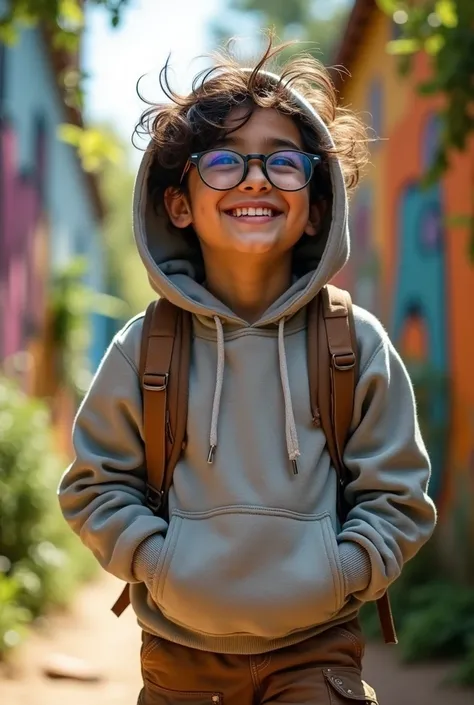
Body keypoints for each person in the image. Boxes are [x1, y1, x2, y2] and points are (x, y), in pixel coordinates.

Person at [58, 38, 437, 704]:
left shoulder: (354, 341)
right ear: (179, 204)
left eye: (284, 163)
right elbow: (94, 487)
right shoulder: (146, 347)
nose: (256, 179)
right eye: (226, 162)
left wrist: (342, 570)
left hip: (317, 653)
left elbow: (399, 496)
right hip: (179, 659)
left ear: (318, 207)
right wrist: (159, 560)